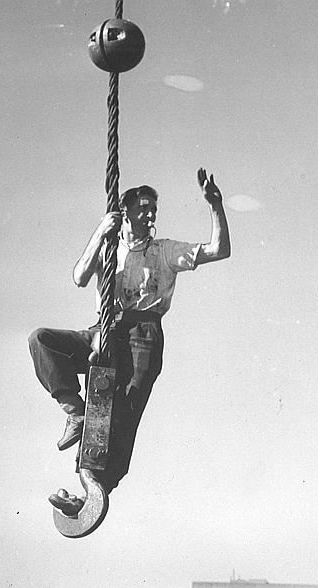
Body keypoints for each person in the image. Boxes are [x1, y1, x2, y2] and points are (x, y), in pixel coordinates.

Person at [28, 168, 231, 517]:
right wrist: (100, 232)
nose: (150, 214)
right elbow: (79, 278)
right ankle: (74, 412)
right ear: (125, 212)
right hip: (105, 330)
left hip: (143, 337)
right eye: (143, 208)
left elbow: (219, 250)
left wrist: (216, 206)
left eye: (153, 208)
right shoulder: (110, 248)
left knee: (122, 414)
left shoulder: (164, 251)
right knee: (42, 341)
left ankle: (94, 489)